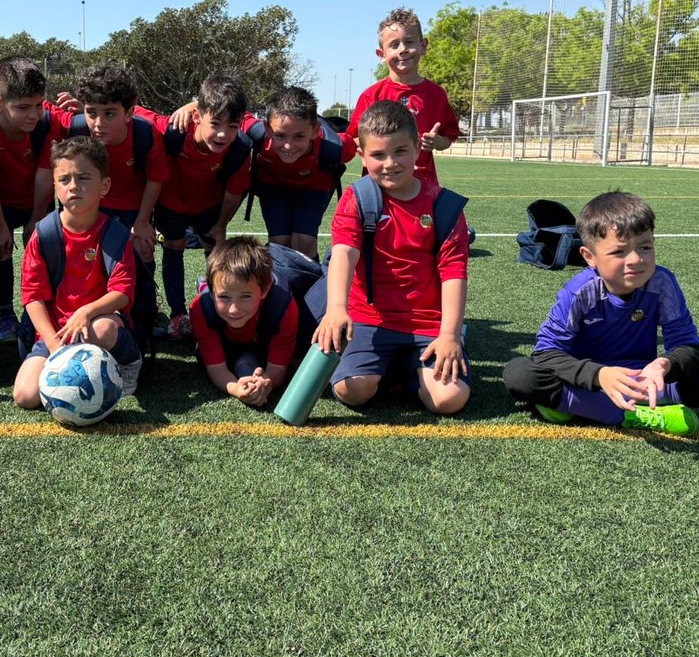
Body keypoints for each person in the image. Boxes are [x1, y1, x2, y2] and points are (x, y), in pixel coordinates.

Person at [503, 191, 699, 435]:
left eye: (645, 247)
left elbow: (686, 343)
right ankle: (632, 415)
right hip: (589, 381)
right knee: (520, 374)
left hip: (640, 380)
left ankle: (577, 408)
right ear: (589, 257)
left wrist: (664, 364)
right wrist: (600, 375)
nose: (636, 259)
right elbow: (546, 353)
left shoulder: (662, 283)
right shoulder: (580, 291)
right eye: (619, 252)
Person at [313, 100, 471, 415]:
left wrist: (450, 335)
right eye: (378, 155)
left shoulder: (443, 206)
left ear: (418, 150)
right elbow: (344, 252)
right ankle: (394, 370)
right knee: (352, 390)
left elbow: (454, 272)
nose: (390, 163)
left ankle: (409, 372)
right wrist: (336, 310)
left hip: (427, 323)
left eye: (400, 151)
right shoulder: (357, 198)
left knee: (449, 400)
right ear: (362, 155)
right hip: (369, 319)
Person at [13, 136, 143, 409]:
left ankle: (128, 361)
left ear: (104, 185)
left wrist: (85, 312)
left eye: (83, 178)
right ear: (55, 186)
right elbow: (33, 297)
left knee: (104, 327)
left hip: (96, 324)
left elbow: (122, 293)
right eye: (64, 180)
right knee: (25, 396)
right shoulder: (44, 234)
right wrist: (53, 344)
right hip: (57, 332)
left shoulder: (115, 235)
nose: (73, 187)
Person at [32, 62, 168, 265]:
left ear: (129, 113)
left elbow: (155, 179)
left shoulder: (146, 134)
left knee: (141, 251)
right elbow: (24, 103)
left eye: (110, 114)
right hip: (86, 205)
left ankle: (143, 296)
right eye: (91, 112)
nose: (98, 123)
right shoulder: (72, 127)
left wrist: (142, 222)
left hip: (130, 207)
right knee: (83, 262)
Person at [153, 74, 252, 340]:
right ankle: (177, 315)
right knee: (173, 247)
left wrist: (221, 225)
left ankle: (215, 307)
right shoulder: (174, 130)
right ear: (197, 117)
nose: (223, 134)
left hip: (210, 203)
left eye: (232, 126)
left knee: (215, 249)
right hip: (171, 202)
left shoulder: (240, 148)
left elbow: (233, 192)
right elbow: (133, 111)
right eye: (215, 124)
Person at [0, 56, 54, 344]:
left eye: (39, 104)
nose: (33, 114)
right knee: (0, 247)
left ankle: (37, 313)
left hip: (36, 200)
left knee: (41, 249)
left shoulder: (46, 122)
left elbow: (44, 173)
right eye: (23, 107)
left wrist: (37, 218)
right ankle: (5, 315)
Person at [346, 7, 459, 187]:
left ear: (423, 46)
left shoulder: (436, 94)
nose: (403, 49)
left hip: (422, 184)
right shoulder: (371, 95)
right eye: (394, 45)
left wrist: (436, 141)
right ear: (381, 54)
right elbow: (354, 139)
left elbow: (448, 137)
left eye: (409, 42)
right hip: (379, 184)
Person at [248, 86, 357, 260]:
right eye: (280, 136)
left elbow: (362, 141)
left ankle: (309, 284)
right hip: (273, 186)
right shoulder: (258, 134)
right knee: (279, 242)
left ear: (315, 131)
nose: (288, 146)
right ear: (268, 129)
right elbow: (231, 114)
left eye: (299, 136)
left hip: (313, 189)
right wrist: (192, 105)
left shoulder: (337, 147)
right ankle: (280, 283)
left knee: (304, 243)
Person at [190, 236, 298, 407]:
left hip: (262, 339)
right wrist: (235, 389)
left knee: (252, 361)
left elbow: (278, 367)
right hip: (227, 340)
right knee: (206, 355)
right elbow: (216, 367)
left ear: (265, 289)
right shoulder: (201, 309)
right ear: (212, 293)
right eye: (224, 297)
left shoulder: (282, 307)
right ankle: (206, 285)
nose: (234, 309)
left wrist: (266, 383)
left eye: (245, 296)